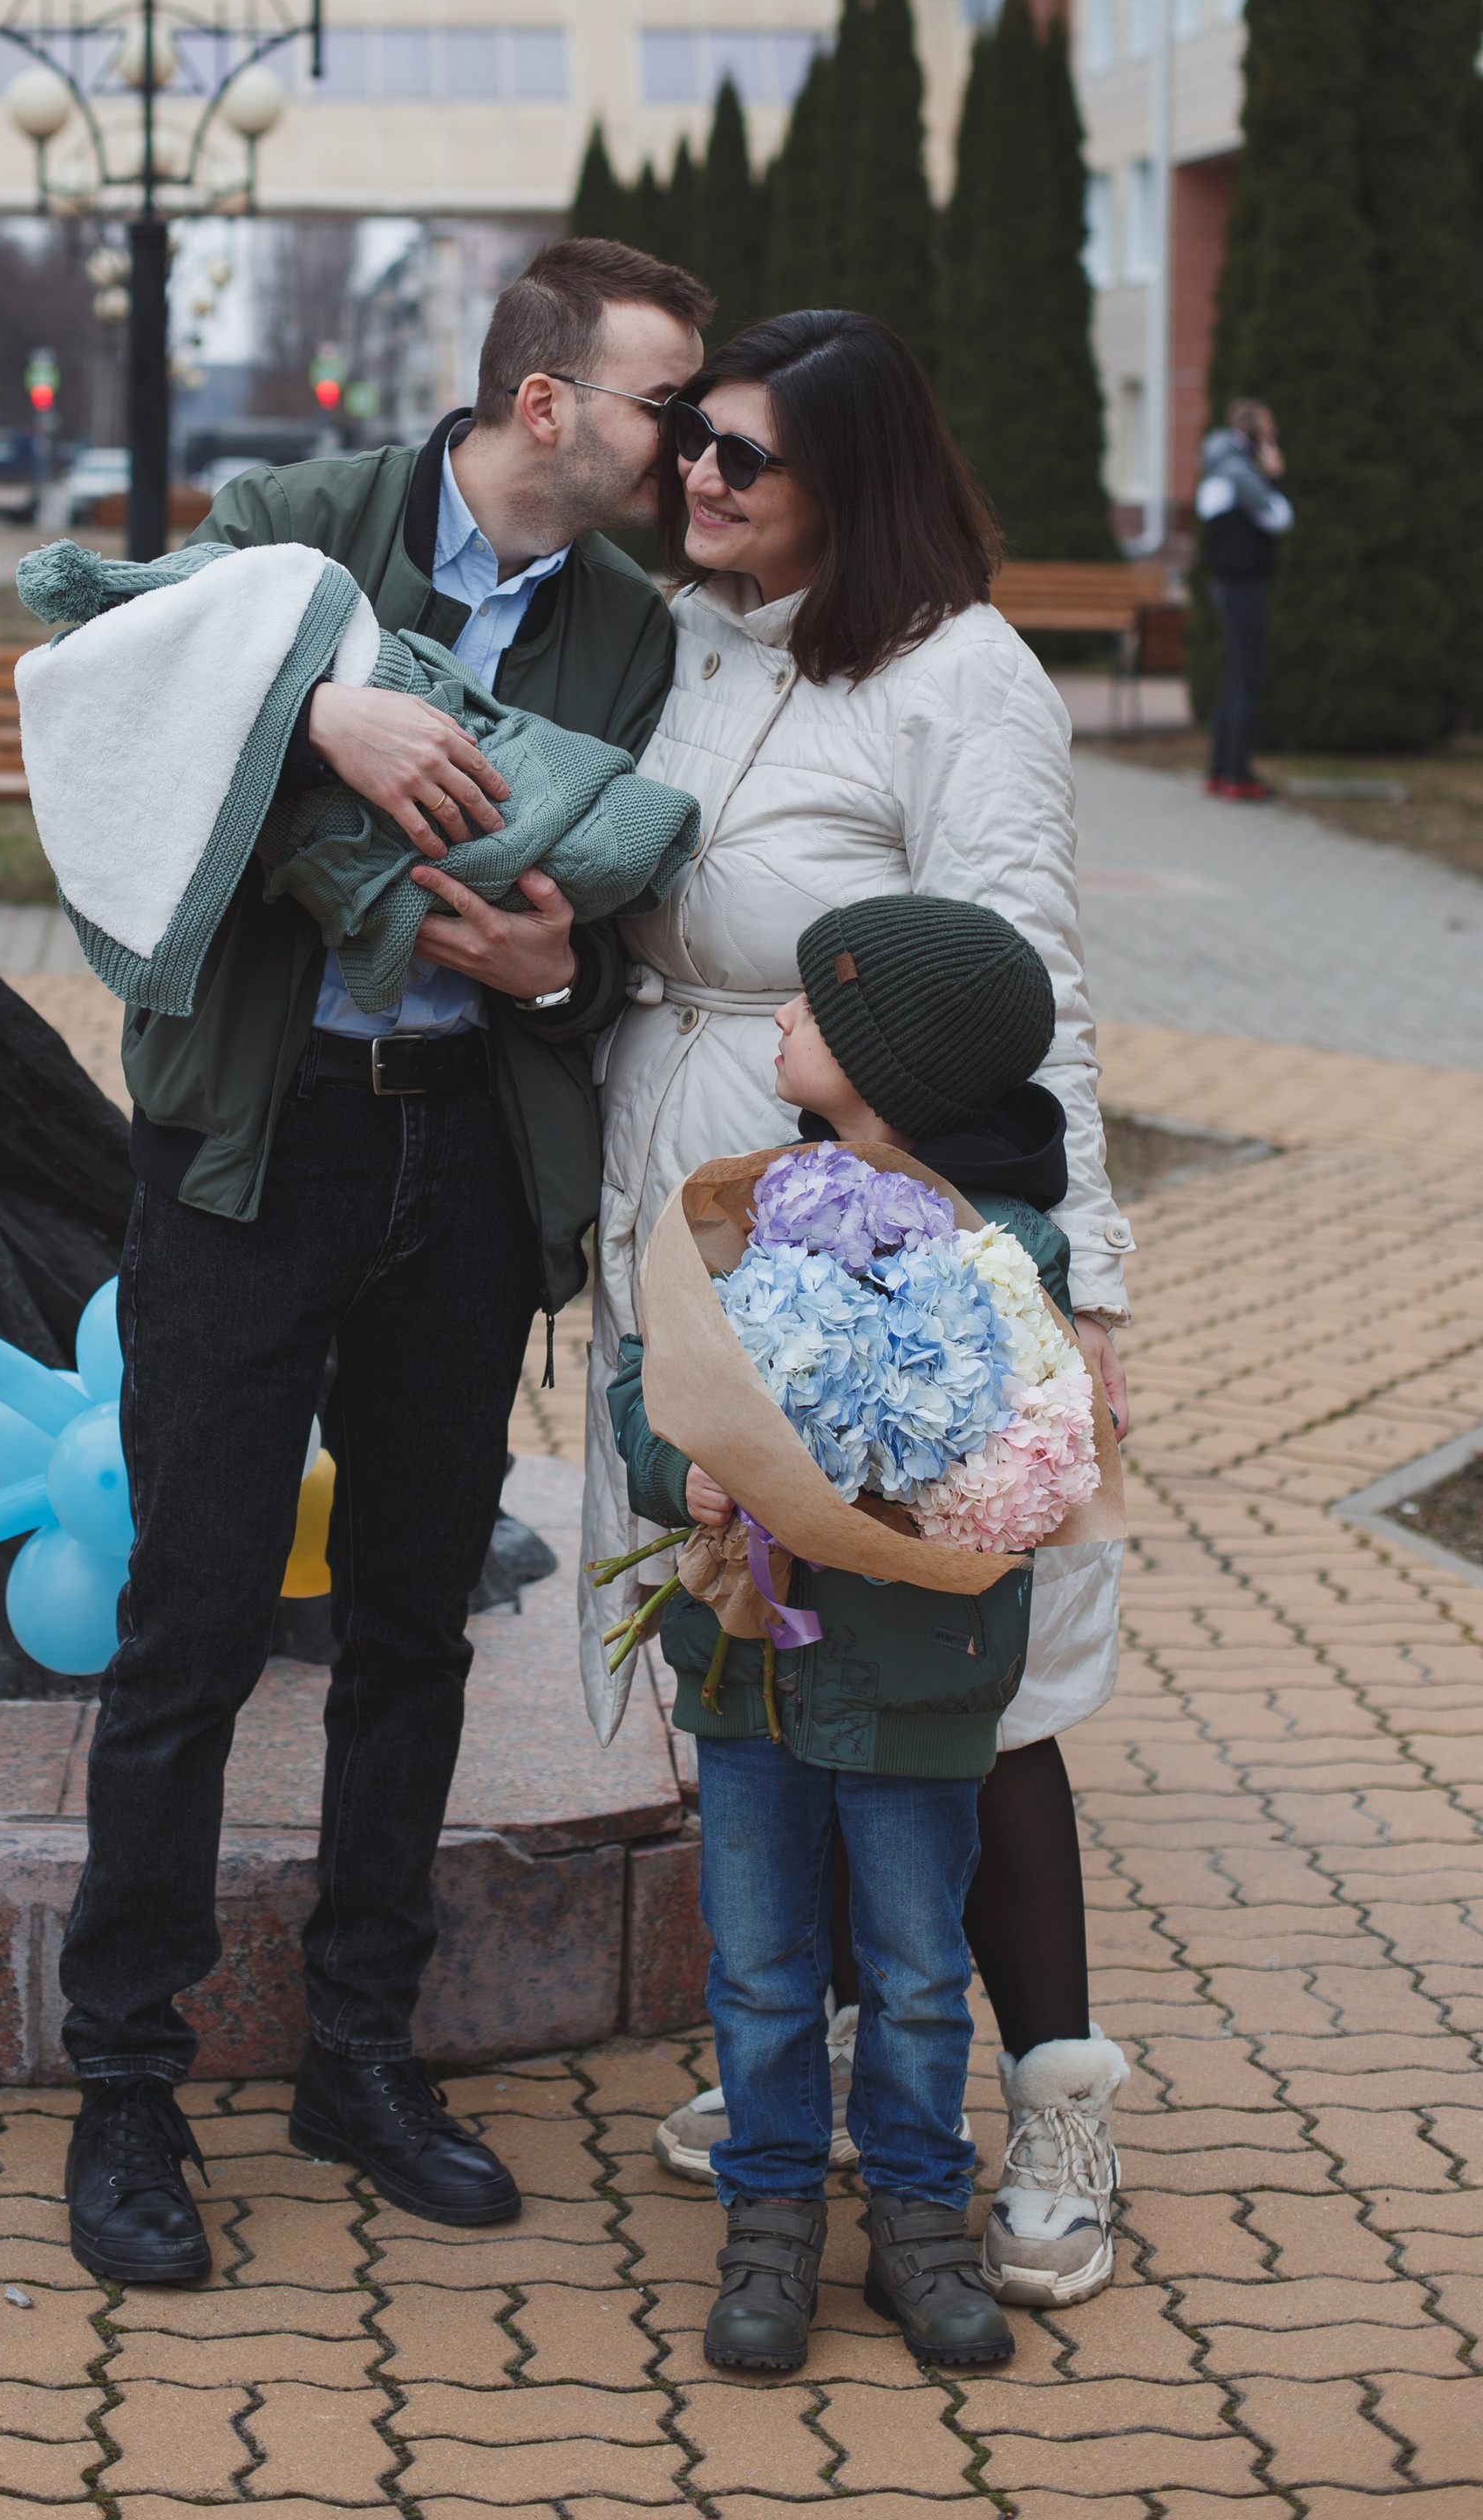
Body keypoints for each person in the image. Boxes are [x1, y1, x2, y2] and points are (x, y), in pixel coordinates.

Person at [59, 234, 711, 2284]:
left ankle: (359, 2048)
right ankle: (125, 2082)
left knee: (415, 1621)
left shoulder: (625, 623)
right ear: (543, 406)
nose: (681, 443)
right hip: (257, 1145)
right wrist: (319, 716)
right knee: (189, 1620)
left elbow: (615, 888)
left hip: (460, 1157)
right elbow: (130, 737)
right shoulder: (290, 526)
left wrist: (556, 962)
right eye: (656, 405)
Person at [590, 309, 1134, 2309]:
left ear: (856, 475)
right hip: (705, 1227)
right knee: (761, 1640)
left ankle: (1052, 2104)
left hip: (912, 1246)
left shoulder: (954, 675)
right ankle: (790, 2098)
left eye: (747, 455)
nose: (702, 478)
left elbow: (1024, 987)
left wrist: (1066, 1285)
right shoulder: (699, 637)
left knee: (981, 1692)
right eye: (694, 446)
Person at [609, 891, 1078, 2373]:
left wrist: (903, 1458)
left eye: (813, 1007)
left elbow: (1021, 1444)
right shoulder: (743, 1199)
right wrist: (674, 1456)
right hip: (753, 1675)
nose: (779, 1021)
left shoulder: (1005, 1243)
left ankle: (923, 2230)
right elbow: (649, 1373)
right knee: (757, 1970)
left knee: (919, 1968)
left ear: (892, 1061)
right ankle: (769, 2230)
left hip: (920, 1678)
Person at [1194, 398, 1291, 801]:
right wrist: (1277, 475)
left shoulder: (1216, 464)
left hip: (1226, 583)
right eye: (1268, 431)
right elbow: (1280, 517)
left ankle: (1221, 772)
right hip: (1244, 584)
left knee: (1234, 677)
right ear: (1251, 434)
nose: (1274, 438)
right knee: (1246, 677)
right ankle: (1238, 776)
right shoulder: (1241, 472)